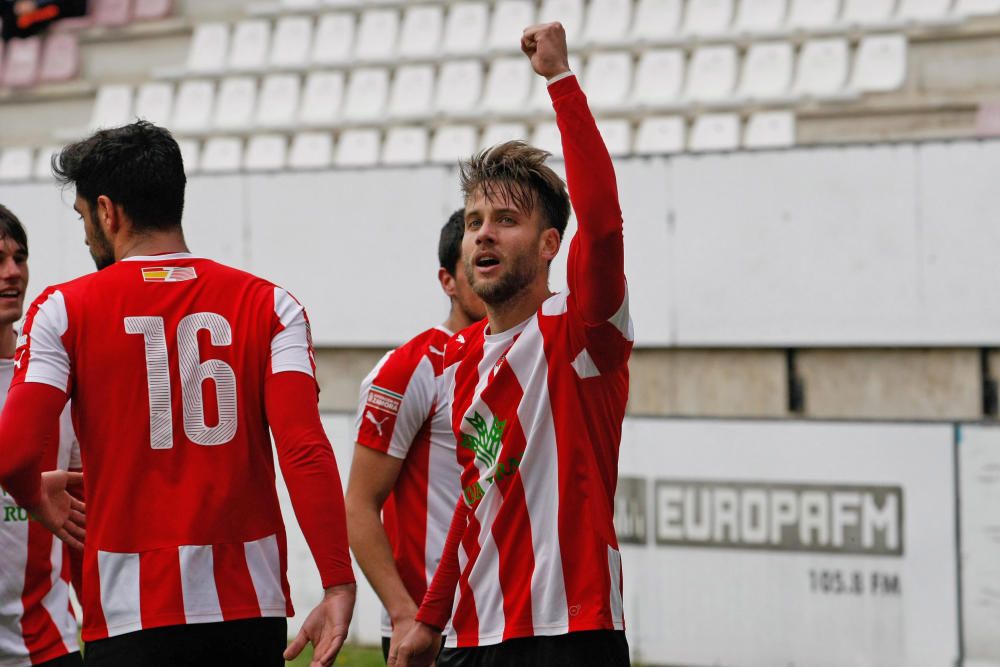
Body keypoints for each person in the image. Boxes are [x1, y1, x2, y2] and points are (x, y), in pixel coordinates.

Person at [0, 122, 356, 667]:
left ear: (107, 212)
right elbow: (304, 450)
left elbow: (15, 453)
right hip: (248, 609)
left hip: (127, 609)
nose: (88, 235)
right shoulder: (273, 305)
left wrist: (33, 494)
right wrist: (335, 582)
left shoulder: (63, 309)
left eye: (83, 219)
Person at [391, 21, 633, 667]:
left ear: (550, 243)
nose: (483, 236)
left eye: (506, 219)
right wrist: (429, 617)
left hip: (569, 634)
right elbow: (476, 497)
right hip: (475, 637)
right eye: (474, 222)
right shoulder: (462, 359)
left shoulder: (584, 332)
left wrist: (560, 80)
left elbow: (604, 227)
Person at [346, 209, 486, 663]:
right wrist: (405, 613)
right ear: (447, 280)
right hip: (433, 628)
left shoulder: (523, 359)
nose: (488, 277)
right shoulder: (412, 368)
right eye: (475, 266)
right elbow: (359, 504)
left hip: (506, 618)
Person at [0, 204, 83, 667]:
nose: (13, 273)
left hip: (47, 649)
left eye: (20, 257)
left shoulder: (53, 381)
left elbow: (83, 513)